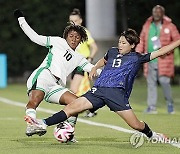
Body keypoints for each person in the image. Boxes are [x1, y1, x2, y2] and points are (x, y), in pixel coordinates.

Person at [24, 29, 180, 140]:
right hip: (98, 90)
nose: (120, 45)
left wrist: (178, 42)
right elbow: (103, 60)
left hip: (116, 93)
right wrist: (95, 68)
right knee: (71, 108)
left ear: (132, 45)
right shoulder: (112, 51)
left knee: (136, 125)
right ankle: (42, 123)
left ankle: (153, 135)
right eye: (119, 41)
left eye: (124, 43)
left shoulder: (137, 57)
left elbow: (161, 51)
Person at [14, 9, 101, 137]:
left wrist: (111, 74)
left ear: (81, 39)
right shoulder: (57, 42)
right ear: (66, 36)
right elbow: (34, 37)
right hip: (43, 76)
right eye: (71, 36)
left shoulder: (79, 57)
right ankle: (31, 125)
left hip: (56, 85)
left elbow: (92, 69)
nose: (73, 39)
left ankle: (69, 133)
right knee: (35, 100)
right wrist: (21, 20)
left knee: (76, 104)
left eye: (77, 37)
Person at [136, 5, 180, 114]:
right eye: (155, 12)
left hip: (164, 60)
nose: (156, 14)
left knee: (165, 82)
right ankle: (151, 107)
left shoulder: (170, 26)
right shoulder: (147, 26)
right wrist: (138, 53)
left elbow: (177, 40)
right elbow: (141, 40)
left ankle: (170, 104)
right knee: (151, 83)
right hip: (150, 58)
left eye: (159, 12)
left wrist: (167, 51)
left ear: (162, 14)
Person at [69, 8, 98, 118]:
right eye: (71, 21)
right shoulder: (70, 34)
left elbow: (94, 47)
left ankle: (72, 113)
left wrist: (90, 59)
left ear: (80, 20)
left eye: (75, 21)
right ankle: (92, 108)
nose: (73, 23)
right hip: (73, 65)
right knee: (82, 91)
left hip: (82, 64)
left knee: (74, 90)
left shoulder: (84, 32)